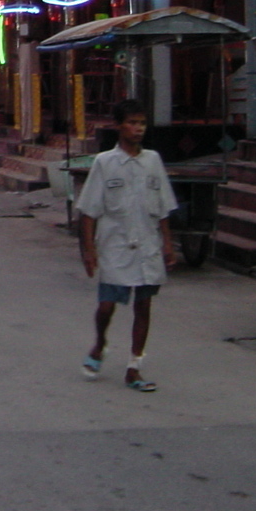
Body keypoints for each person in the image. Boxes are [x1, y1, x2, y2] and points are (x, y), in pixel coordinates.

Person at [76, 98, 177, 393]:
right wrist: (88, 250)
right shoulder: (105, 163)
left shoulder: (153, 161)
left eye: (142, 123)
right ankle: (100, 343)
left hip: (147, 246)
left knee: (143, 306)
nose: (137, 129)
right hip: (115, 248)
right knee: (107, 306)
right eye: (132, 123)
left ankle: (134, 366)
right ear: (119, 126)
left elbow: (164, 208)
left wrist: (168, 244)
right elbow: (89, 211)